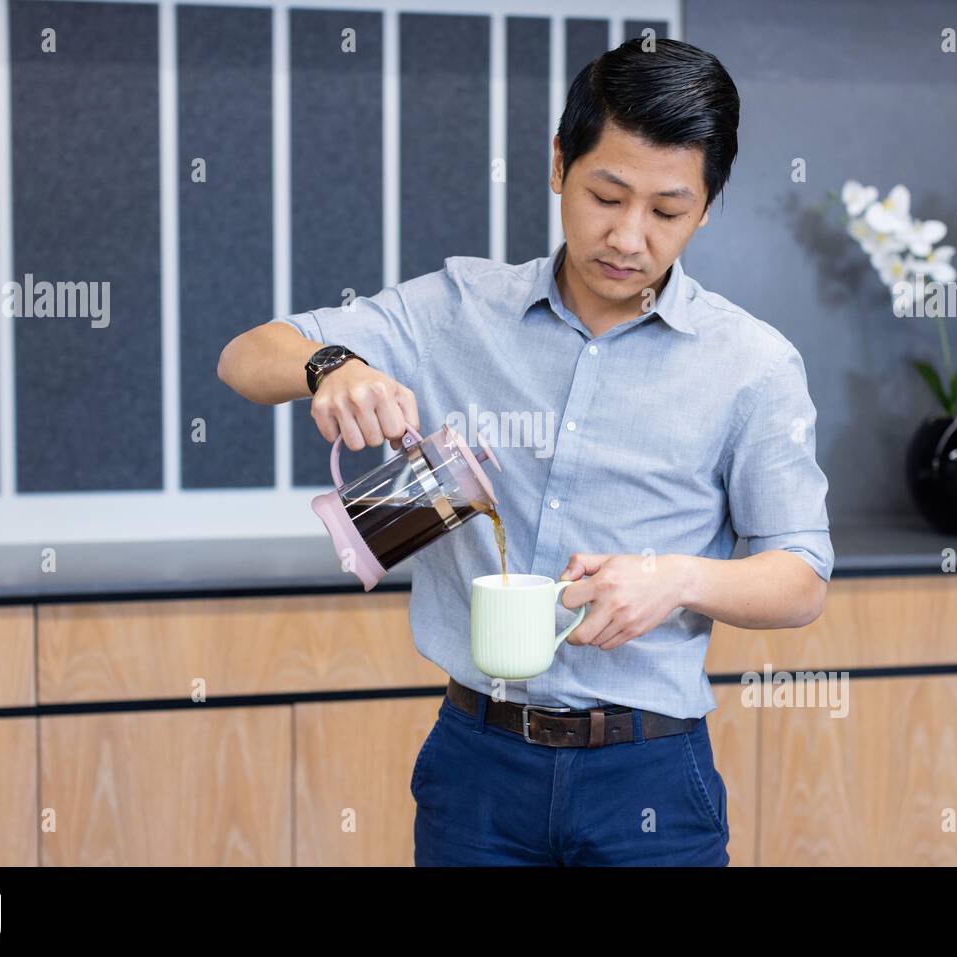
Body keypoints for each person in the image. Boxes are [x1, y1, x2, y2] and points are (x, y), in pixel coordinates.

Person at [217, 37, 832, 866]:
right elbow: (246, 358)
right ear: (557, 166)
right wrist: (332, 364)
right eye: (605, 194)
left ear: (709, 205)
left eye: (666, 210)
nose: (627, 236)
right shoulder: (458, 310)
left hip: (649, 773)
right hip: (478, 765)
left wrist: (676, 577)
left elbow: (800, 576)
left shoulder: (752, 365)